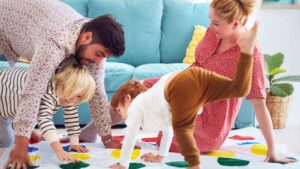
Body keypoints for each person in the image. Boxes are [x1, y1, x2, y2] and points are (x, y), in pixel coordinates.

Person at [135, 0, 294, 164]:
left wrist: (272, 148)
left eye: (216, 22)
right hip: (183, 87)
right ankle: (107, 135)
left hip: (209, 123)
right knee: (135, 88)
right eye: (211, 19)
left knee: (167, 132)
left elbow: (259, 104)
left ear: (235, 23)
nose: (211, 25)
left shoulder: (251, 52)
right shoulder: (214, 31)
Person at [109, 22, 259, 169]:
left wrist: (122, 164)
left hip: (182, 85)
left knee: (183, 128)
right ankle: (247, 51)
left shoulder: (136, 107)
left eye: (120, 111)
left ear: (127, 99)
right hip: (196, 76)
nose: (123, 118)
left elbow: (130, 137)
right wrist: (160, 156)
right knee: (238, 90)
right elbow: (167, 129)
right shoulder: (155, 108)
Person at [0, 0, 125, 168]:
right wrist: (21, 145)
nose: (98, 61)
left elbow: (98, 93)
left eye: (104, 57)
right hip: (6, 15)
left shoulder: (93, 46)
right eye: (99, 54)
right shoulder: (54, 44)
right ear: (87, 37)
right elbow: (33, 91)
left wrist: (107, 138)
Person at [0, 58, 96, 163]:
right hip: (2, 105)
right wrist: (59, 151)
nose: (74, 100)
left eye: (79, 97)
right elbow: (45, 120)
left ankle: (20, 126)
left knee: (31, 113)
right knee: (7, 143)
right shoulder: (46, 92)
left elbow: (72, 117)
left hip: (17, 105)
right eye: (76, 94)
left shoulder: (67, 95)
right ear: (65, 84)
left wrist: (74, 143)